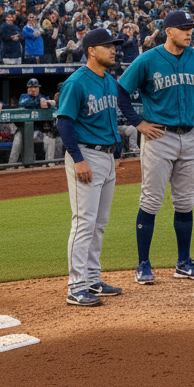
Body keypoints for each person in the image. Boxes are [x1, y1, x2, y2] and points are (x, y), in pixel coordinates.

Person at [119, 9, 194, 285]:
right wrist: (138, 123)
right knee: (151, 200)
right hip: (159, 137)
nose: (189, 32)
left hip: (188, 139)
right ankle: (143, 265)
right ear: (168, 31)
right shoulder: (147, 59)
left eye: (190, 27)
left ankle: (184, 263)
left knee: (185, 202)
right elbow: (121, 91)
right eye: (183, 28)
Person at [57, 27, 138, 307]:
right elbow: (64, 122)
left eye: (115, 46)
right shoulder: (76, 82)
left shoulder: (108, 81)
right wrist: (78, 159)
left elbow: (112, 117)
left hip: (106, 156)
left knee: (99, 224)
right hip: (86, 155)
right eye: (108, 46)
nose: (114, 50)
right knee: (83, 222)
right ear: (91, 51)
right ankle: (76, 287)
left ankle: (92, 279)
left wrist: (116, 149)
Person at [9, 78, 53, 164]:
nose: (33, 89)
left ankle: (49, 164)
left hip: (37, 132)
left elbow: (51, 103)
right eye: (30, 87)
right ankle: (10, 166)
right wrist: (39, 102)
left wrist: (49, 103)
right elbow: (23, 103)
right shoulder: (23, 96)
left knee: (49, 139)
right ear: (27, 89)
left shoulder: (43, 97)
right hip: (23, 130)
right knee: (16, 144)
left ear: (38, 88)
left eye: (35, 87)